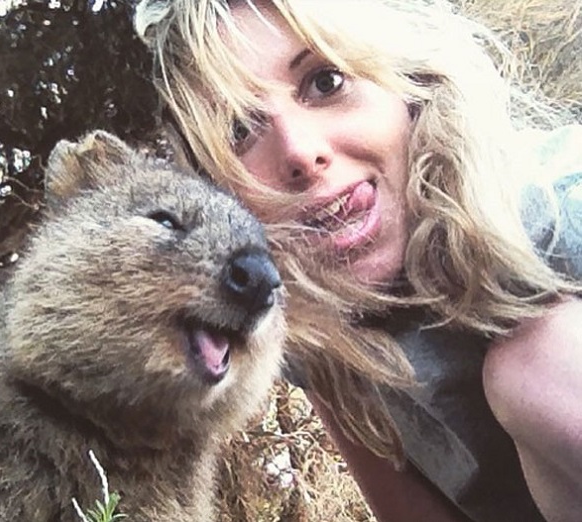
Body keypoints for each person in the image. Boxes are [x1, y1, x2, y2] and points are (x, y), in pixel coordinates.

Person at [133, 1, 582, 520]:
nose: (300, 152)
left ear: (407, 79)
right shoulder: (309, 319)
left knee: (535, 369)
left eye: (325, 82)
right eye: (239, 129)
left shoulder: (559, 204)